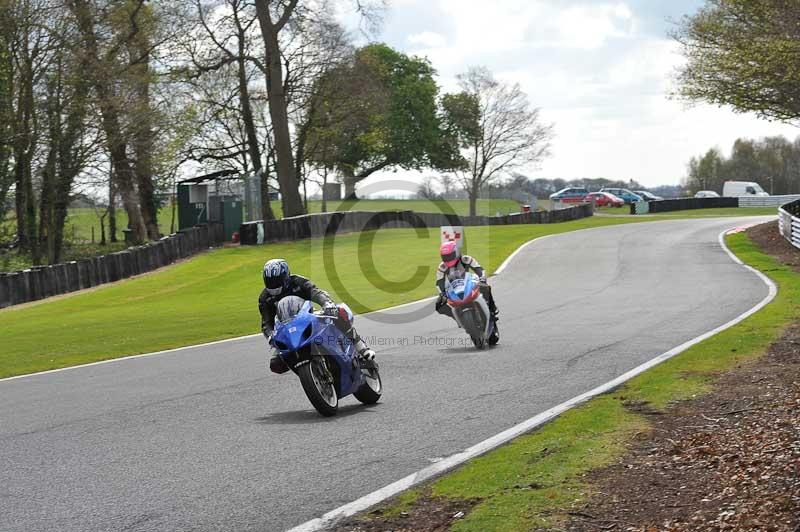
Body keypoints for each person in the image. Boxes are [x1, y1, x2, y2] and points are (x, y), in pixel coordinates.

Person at [259, 258, 375, 374]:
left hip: (306, 317)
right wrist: (270, 335)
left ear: (286, 277)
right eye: (270, 282)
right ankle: (309, 372)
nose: (273, 286)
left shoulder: (298, 282)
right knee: (275, 364)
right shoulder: (264, 298)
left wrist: (326, 304)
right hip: (286, 329)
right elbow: (266, 322)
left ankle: (361, 347)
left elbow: (316, 292)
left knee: (339, 312)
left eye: (276, 282)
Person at [435, 241, 499, 320]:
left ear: (457, 252)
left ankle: (492, 308)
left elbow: (479, 269)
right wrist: (443, 294)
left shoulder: (466, 259)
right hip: (454, 287)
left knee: (485, 287)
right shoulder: (442, 267)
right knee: (439, 305)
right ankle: (457, 318)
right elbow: (439, 282)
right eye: (445, 257)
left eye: (450, 256)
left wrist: (482, 279)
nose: (448, 259)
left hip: (469, 281)